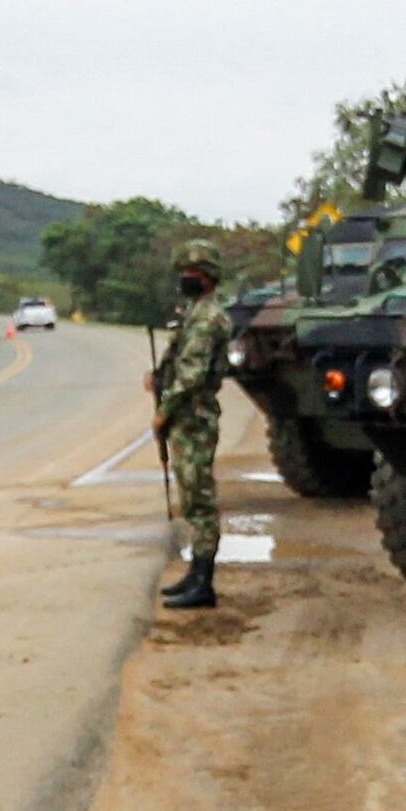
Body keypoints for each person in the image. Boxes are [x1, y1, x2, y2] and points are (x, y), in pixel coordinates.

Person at [147, 241, 234, 609]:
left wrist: (164, 410)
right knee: (191, 497)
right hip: (187, 415)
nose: (185, 279)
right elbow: (180, 364)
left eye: (192, 274)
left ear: (208, 278)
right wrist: (159, 377)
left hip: (193, 417)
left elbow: (193, 375)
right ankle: (196, 574)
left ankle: (204, 583)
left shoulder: (208, 318)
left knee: (199, 500)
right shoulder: (195, 313)